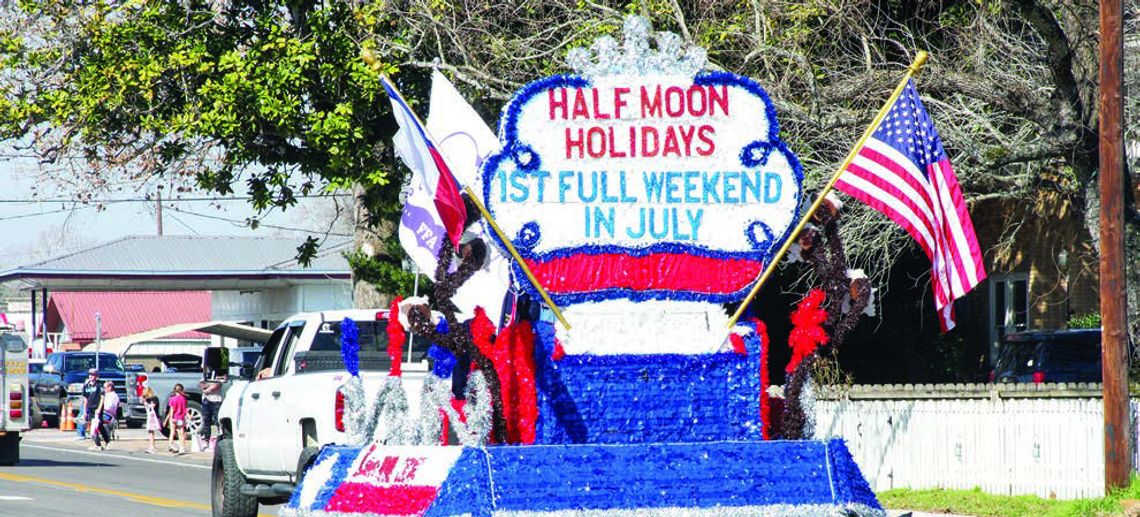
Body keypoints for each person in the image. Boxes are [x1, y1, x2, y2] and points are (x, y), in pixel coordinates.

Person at [198, 374, 225, 450]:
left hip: (216, 400)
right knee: (206, 420)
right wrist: (210, 385)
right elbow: (201, 384)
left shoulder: (219, 374)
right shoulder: (206, 375)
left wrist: (208, 388)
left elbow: (218, 384)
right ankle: (206, 440)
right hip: (206, 400)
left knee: (218, 421)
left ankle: (220, 438)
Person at [90, 380, 119, 450]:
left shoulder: (114, 396)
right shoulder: (105, 395)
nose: (104, 389)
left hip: (108, 415)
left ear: (110, 387)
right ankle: (97, 443)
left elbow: (109, 407)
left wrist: (100, 406)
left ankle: (101, 443)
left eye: (105, 387)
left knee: (96, 423)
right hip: (101, 413)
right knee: (93, 421)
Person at [164, 384, 189, 454]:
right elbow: (185, 409)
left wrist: (171, 418)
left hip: (174, 417)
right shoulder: (184, 399)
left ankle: (171, 445)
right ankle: (182, 447)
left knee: (172, 432)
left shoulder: (172, 399)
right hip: (181, 418)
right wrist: (188, 415)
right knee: (181, 433)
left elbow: (172, 409)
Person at [80, 369, 102, 442]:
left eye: (93, 375)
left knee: (96, 427)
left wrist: (99, 408)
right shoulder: (86, 386)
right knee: (91, 426)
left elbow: (102, 397)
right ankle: (83, 435)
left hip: (97, 408)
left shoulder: (99, 385)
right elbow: (85, 399)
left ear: (96, 376)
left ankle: (98, 441)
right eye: (90, 374)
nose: (91, 376)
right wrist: (85, 411)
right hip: (90, 408)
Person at [142, 386, 161, 454]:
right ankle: (151, 446)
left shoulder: (154, 398)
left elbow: (153, 407)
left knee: (151, 431)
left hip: (154, 417)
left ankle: (152, 446)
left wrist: (148, 403)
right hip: (150, 417)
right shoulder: (146, 400)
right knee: (150, 432)